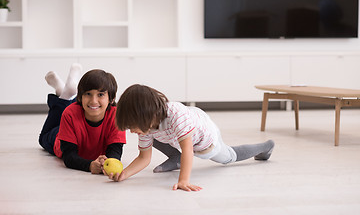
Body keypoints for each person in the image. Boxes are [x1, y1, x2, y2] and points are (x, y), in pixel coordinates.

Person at [106, 84, 274, 191]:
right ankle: (175, 157)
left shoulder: (176, 116)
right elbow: (144, 157)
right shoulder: (146, 127)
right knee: (151, 137)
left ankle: (266, 146)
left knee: (229, 157)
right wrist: (124, 174)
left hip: (205, 140)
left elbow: (188, 149)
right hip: (181, 129)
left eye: (132, 126)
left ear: (145, 116)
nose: (131, 131)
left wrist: (183, 181)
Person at [38, 64, 126, 174]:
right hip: (60, 135)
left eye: (100, 95)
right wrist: (89, 166)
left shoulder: (117, 116)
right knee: (43, 138)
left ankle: (63, 90)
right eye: (88, 94)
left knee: (73, 110)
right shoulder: (70, 113)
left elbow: (115, 151)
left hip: (76, 126)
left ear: (111, 99)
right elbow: (69, 156)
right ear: (80, 97)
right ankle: (64, 94)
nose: (94, 101)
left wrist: (107, 162)